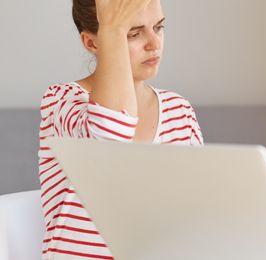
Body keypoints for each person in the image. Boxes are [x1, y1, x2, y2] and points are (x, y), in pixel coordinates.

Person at [38, 0, 203, 258]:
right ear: (92, 43)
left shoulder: (178, 109)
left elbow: (194, 210)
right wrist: (112, 29)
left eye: (158, 27)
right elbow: (110, 140)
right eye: (133, 34)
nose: (154, 44)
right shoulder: (61, 100)